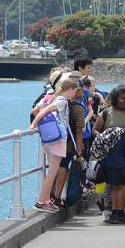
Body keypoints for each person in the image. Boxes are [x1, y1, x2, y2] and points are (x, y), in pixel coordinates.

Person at [30, 76, 84, 213]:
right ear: (70, 90)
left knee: (51, 171)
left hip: (51, 140)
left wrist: (35, 124)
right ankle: (40, 202)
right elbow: (44, 111)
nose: (75, 94)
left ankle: (46, 200)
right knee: (53, 172)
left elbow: (39, 109)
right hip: (58, 141)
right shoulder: (62, 101)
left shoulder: (56, 98)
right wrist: (33, 124)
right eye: (75, 90)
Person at [95, 85, 125, 220]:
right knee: (110, 183)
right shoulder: (106, 113)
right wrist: (105, 140)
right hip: (110, 154)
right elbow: (96, 130)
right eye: (123, 98)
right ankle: (108, 210)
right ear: (116, 98)